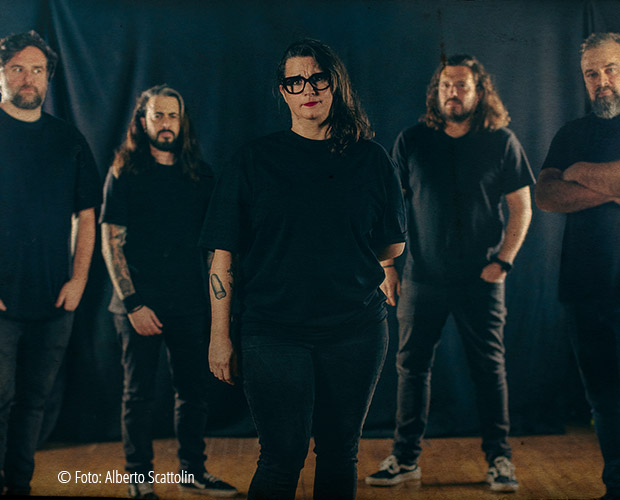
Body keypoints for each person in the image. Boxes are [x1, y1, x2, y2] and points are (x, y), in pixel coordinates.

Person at [201, 38, 406, 500]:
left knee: (340, 453)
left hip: (355, 329)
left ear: (335, 83)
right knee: (281, 456)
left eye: (317, 78)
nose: (307, 88)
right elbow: (223, 256)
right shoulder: (254, 160)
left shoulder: (372, 159)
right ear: (283, 91)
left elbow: (393, 243)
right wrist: (219, 337)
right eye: (295, 81)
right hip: (273, 331)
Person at [366, 54, 534, 493]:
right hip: (422, 277)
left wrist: (504, 260)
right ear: (435, 92)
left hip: (482, 278)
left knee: (489, 368)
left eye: (461, 85)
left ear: (479, 91)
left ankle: (500, 459)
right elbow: (390, 207)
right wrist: (388, 266)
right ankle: (405, 459)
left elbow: (521, 207)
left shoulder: (501, 141)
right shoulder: (413, 140)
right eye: (445, 85)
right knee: (411, 368)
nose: (452, 93)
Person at [100, 85, 237, 500]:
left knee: (193, 392)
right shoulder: (125, 172)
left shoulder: (201, 175)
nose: (165, 123)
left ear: (182, 121)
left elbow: (215, 248)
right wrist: (133, 304)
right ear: (142, 121)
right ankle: (138, 478)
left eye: (172, 116)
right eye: (157, 115)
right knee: (138, 395)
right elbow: (111, 241)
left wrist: (217, 306)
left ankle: (193, 471)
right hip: (137, 305)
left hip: (190, 303)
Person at [0, 31, 100, 495]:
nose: (28, 77)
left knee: (33, 402)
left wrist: (78, 280)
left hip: (54, 299)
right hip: (1, 301)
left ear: (48, 77)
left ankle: (19, 484)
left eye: (37, 69)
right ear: (1, 73)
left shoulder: (67, 139)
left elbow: (87, 215)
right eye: (17, 67)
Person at [535, 32, 620, 500]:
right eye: (591, 73)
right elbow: (546, 195)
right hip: (586, 290)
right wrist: (610, 185)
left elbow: (567, 182)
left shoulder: (575, 151)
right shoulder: (572, 133)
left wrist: (580, 171)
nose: (601, 81)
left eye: (610, 68)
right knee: (604, 398)